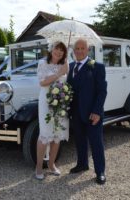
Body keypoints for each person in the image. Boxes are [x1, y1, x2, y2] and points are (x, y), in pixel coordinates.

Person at [67, 38, 107, 185]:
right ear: (73, 50)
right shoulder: (70, 67)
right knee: (79, 140)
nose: (79, 51)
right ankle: (82, 164)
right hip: (76, 112)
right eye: (76, 48)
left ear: (88, 49)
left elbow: (102, 91)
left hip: (92, 113)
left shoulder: (97, 67)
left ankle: (100, 171)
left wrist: (97, 111)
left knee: (96, 142)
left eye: (82, 48)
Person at [35, 41, 69, 180]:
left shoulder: (65, 64)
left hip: (60, 101)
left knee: (57, 134)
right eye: (57, 48)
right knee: (45, 133)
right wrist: (59, 73)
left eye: (62, 50)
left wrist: (65, 70)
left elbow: (67, 83)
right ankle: (38, 167)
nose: (59, 52)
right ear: (51, 49)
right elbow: (42, 82)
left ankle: (51, 164)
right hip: (45, 101)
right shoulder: (43, 63)